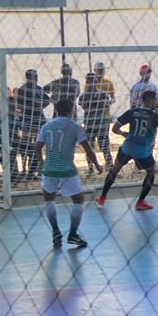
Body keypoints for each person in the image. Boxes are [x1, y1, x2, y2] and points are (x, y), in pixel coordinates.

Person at [35, 98, 104, 248]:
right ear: (72, 111)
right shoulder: (75, 127)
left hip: (49, 169)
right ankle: (73, 234)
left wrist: (43, 164)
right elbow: (88, 149)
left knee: (49, 200)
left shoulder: (46, 126)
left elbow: (37, 149)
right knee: (79, 200)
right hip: (67, 169)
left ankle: (55, 232)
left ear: (56, 110)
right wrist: (98, 166)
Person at [96, 90, 158, 210]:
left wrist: (123, 133)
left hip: (127, 147)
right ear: (149, 102)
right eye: (155, 100)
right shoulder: (156, 117)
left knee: (114, 170)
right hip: (142, 151)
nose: (157, 103)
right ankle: (140, 201)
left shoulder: (132, 112)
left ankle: (102, 197)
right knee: (151, 172)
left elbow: (115, 128)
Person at [16, 69, 50, 177]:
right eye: (33, 77)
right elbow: (20, 106)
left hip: (40, 118)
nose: (35, 79)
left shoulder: (39, 88)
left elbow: (47, 100)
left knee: (42, 142)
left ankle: (40, 167)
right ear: (28, 77)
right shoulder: (23, 90)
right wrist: (32, 105)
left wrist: (41, 105)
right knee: (28, 145)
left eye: (36, 76)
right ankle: (26, 169)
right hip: (28, 119)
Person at [78, 73, 113, 170]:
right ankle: (90, 168)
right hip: (89, 124)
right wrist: (96, 102)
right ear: (87, 82)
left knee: (105, 146)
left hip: (101, 124)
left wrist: (98, 100)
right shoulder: (83, 95)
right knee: (89, 147)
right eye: (90, 81)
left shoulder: (102, 93)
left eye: (94, 81)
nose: (92, 83)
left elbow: (106, 106)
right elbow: (85, 107)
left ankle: (109, 166)